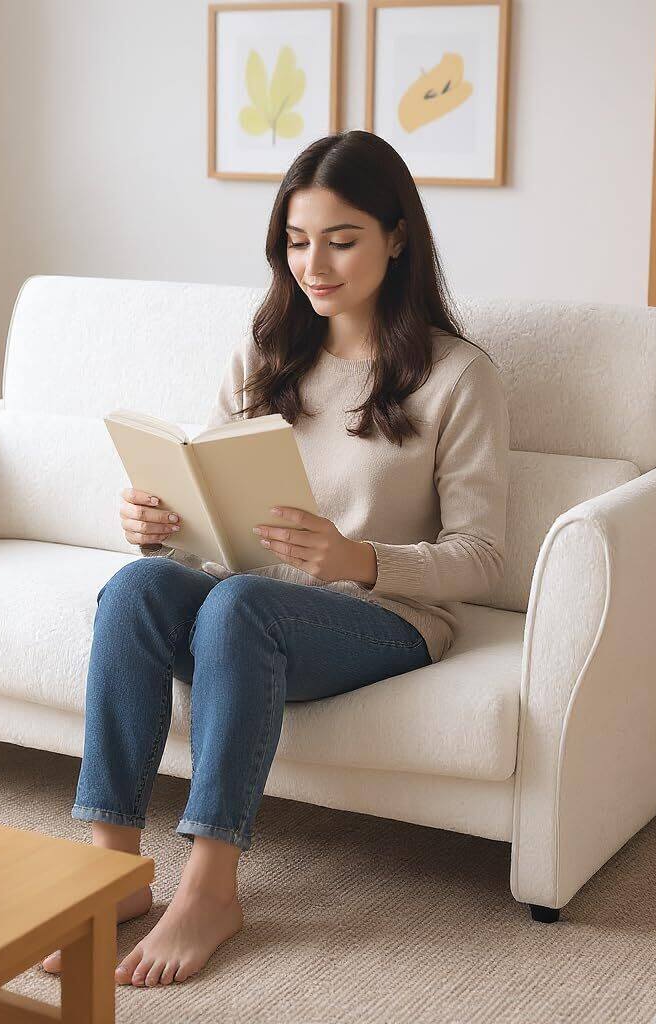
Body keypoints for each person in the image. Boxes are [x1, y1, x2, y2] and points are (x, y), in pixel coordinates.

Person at [40, 129, 510, 987]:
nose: (314, 265)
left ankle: (211, 889)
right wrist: (158, 523)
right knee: (138, 585)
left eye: (341, 240)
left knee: (238, 605)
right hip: (247, 607)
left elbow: (481, 558)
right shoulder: (266, 352)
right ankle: (112, 871)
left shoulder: (457, 376)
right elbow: (213, 506)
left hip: (384, 619)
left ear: (397, 238)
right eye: (296, 242)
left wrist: (358, 558)